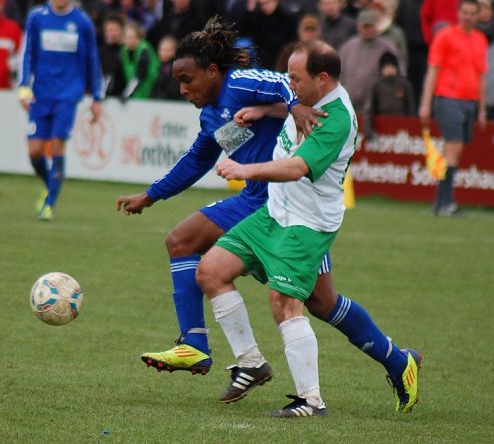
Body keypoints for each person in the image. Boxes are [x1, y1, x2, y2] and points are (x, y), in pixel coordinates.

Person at [116, 18, 421, 414]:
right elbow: (198, 159)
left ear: (212, 71)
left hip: (293, 205)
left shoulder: (243, 84)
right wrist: (152, 195)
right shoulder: (213, 115)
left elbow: (282, 85)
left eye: (188, 79)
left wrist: (288, 107)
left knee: (317, 303)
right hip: (265, 200)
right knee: (196, 253)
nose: (183, 89)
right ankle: (214, 350)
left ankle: (372, 372)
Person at [199, 41, 417, 417]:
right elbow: (290, 101)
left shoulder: (338, 118)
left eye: (295, 79)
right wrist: (268, 108)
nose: (290, 84)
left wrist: (244, 171)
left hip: (307, 225)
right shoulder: (307, 97)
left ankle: (310, 401)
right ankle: (251, 362)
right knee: (212, 271)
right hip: (277, 211)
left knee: (285, 302)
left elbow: (298, 167)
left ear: (323, 78)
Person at [18, 0, 103, 222]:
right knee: (35, 151)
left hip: (68, 94)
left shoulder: (82, 22)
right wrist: (24, 85)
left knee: (56, 145)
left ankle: (49, 205)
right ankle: (50, 186)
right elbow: (27, 52)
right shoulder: (36, 17)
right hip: (41, 93)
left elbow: (92, 59)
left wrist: (96, 96)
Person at [418, 0, 488, 217]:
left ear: (478, 16)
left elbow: (481, 76)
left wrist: (482, 108)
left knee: (456, 150)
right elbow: (433, 71)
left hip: (469, 101)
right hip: (448, 98)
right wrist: (426, 104)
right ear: (458, 14)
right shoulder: (445, 36)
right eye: (465, 12)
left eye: (472, 13)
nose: (468, 17)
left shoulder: (480, 40)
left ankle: (441, 203)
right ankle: (446, 202)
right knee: (453, 148)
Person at [338, 9, 401, 124]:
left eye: (371, 26)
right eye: (365, 26)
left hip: (377, 110)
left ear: (377, 26)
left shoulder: (387, 49)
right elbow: (338, 74)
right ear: (359, 27)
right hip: (349, 106)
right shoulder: (348, 48)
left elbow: (399, 77)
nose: (368, 30)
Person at [119, 21, 159, 99]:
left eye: (131, 37)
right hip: (136, 93)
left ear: (138, 38)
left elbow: (140, 74)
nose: (128, 40)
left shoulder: (144, 49)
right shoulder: (124, 51)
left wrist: (127, 93)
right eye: (126, 37)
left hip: (150, 92)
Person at [98, 12, 124, 98]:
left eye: (115, 30)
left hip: (124, 98)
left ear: (121, 30)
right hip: (105, 96)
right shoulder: (102, 51)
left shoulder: (126, 50)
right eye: (109, 30)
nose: (112, 33)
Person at [150, 34, 184, 100]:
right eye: (161, 50)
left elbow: (173, 90)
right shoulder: (159, 66)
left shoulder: (176, 67)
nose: (163, 53)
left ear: (174, 51)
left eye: (167, 50)